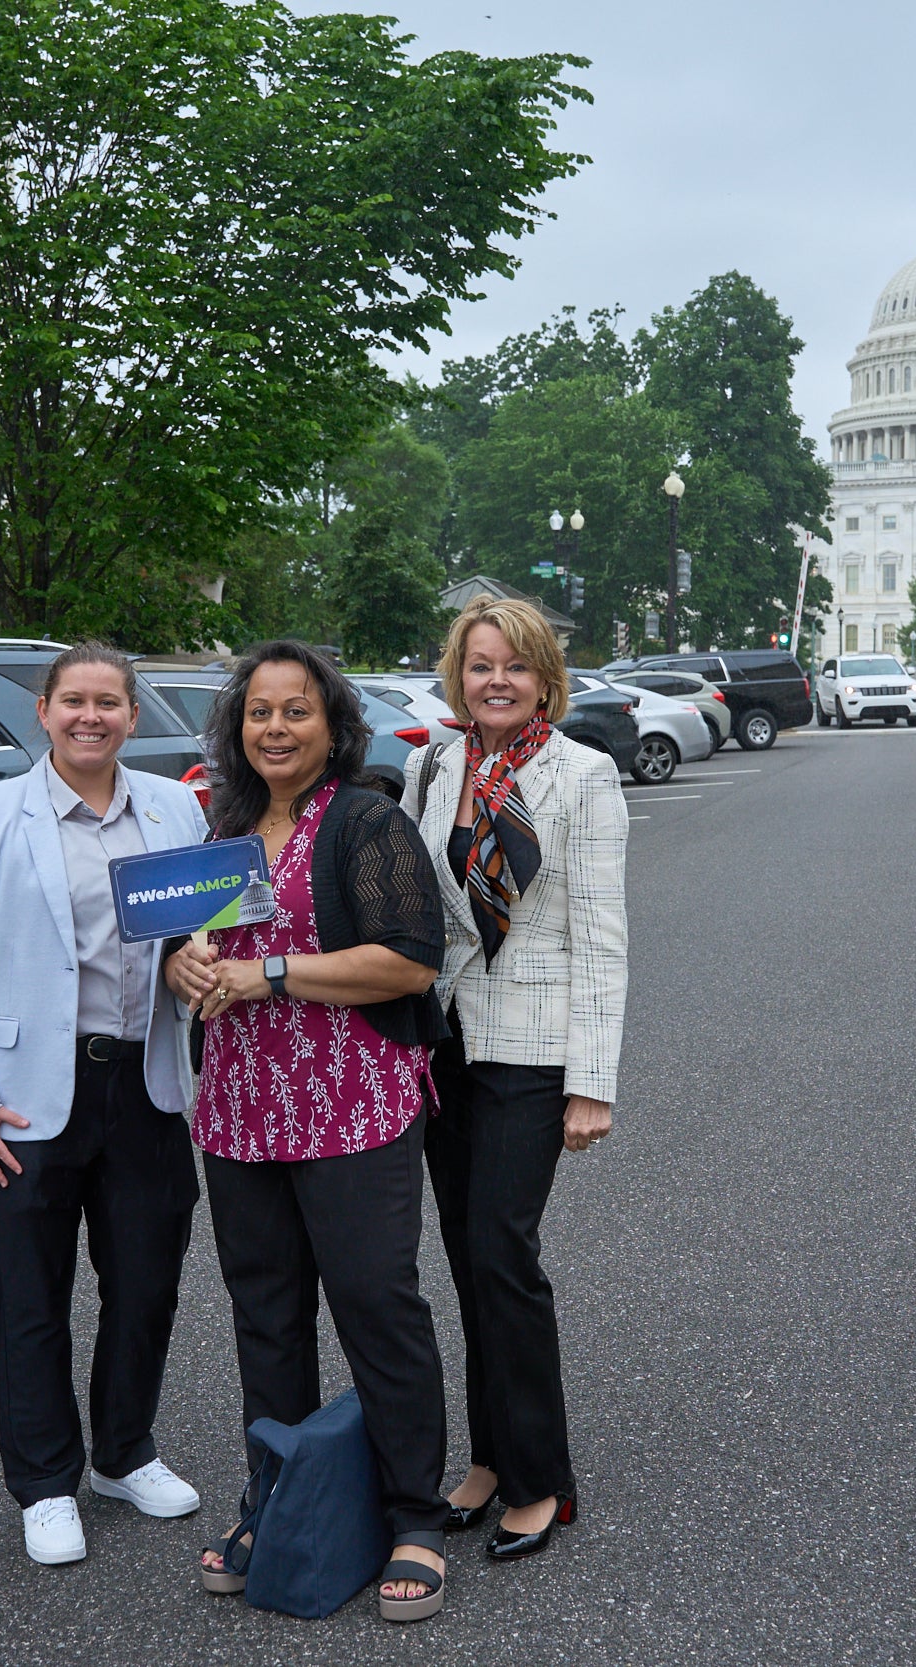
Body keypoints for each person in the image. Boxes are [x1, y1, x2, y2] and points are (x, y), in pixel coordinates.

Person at [163, 642, 454, 1623]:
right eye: (258, 712)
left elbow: (410, 961)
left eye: (295, 711)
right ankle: (274, 1495)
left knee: (376, 1302)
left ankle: (413, 1509)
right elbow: (195, 947)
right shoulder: (228, 823)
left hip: (353, 1102)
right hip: (243, 1111)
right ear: (236, 727)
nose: (275, 728)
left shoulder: (366, 819)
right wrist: (188, 971)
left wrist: (270, 973)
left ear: (331, 724)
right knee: (267, 1312)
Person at [0, 644, 208, 1568]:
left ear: (131, 715)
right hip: (29, 1094)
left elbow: (195, 935)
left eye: (110, 703)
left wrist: (196, 961)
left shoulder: (174, 806)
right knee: (33, 1295)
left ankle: (124, 1453)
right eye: (74, 701)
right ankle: (46, 1481)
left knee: (145, 1283)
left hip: (146, 1082)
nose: (92, 716)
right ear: (42, 713)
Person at [402, 595, 627, 1562]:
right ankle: (487, 1457)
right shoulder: (435, 763)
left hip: (533, 1051)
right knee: (464, 1257)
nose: (496, 681)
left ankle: (541, 1477)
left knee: (503, 1252)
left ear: (545, 678)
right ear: (459, 673)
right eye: (480, 664)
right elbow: (415, 902)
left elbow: (601, 939)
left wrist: (594, 1081)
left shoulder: (584, 773)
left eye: (516, 666)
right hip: (444, 1042)